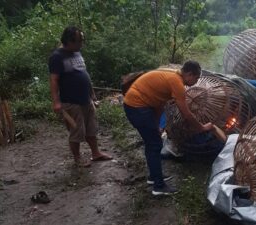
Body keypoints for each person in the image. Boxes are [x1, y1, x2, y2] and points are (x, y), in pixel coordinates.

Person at [123, 60, 213, 196]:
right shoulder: (176, 83)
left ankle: (154, 177)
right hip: (137, 107)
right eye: (196, 78)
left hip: (137, 105)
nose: (196, 81)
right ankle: (158, 187)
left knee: (152, 142)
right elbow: (186, 113)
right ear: (189, 74)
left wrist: (157, 125)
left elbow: (160, 103)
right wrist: (201, 127)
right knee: (154, 144)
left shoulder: (173, 76)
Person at [49, 26, 112, 167]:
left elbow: (84, 74)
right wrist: (56, 102)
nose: (81, 44)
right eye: (79, 41)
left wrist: (93, 95)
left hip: (86, 99)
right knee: (77, 131)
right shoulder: (57, 57)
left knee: (91, 128)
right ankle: (77, 158)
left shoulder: (77, 52)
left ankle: (96, 153)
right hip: (71, 102)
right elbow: (54, 80)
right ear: (69, 41)